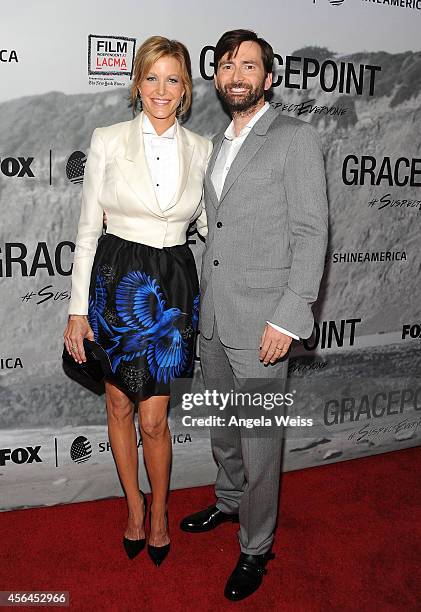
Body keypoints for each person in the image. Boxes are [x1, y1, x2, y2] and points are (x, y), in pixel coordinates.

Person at [180, 29, 328, 600]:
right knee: (223, 425)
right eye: (226, 65)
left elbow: (311, 231)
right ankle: (227, 501)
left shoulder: (293, 137)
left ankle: (256, 545)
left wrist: (289, 316)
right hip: (215, 315)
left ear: (268, 77)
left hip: (266, 320)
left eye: (249, 66)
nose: (236, 75)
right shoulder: (217, 143)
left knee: (261, 440)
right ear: (216, 77)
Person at [63, 36, 211, 567]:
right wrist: (78, 310)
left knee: (154, 419)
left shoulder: (203, 149)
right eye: (152, 78)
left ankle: (161, 511)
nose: (161, 90)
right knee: (119, 403)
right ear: (136, 84)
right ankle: (132, 506)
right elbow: (85, 231)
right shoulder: (107, 139)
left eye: (173, 79)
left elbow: (210, 230)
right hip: (117, 277)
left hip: (171, 280)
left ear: (187, 88)